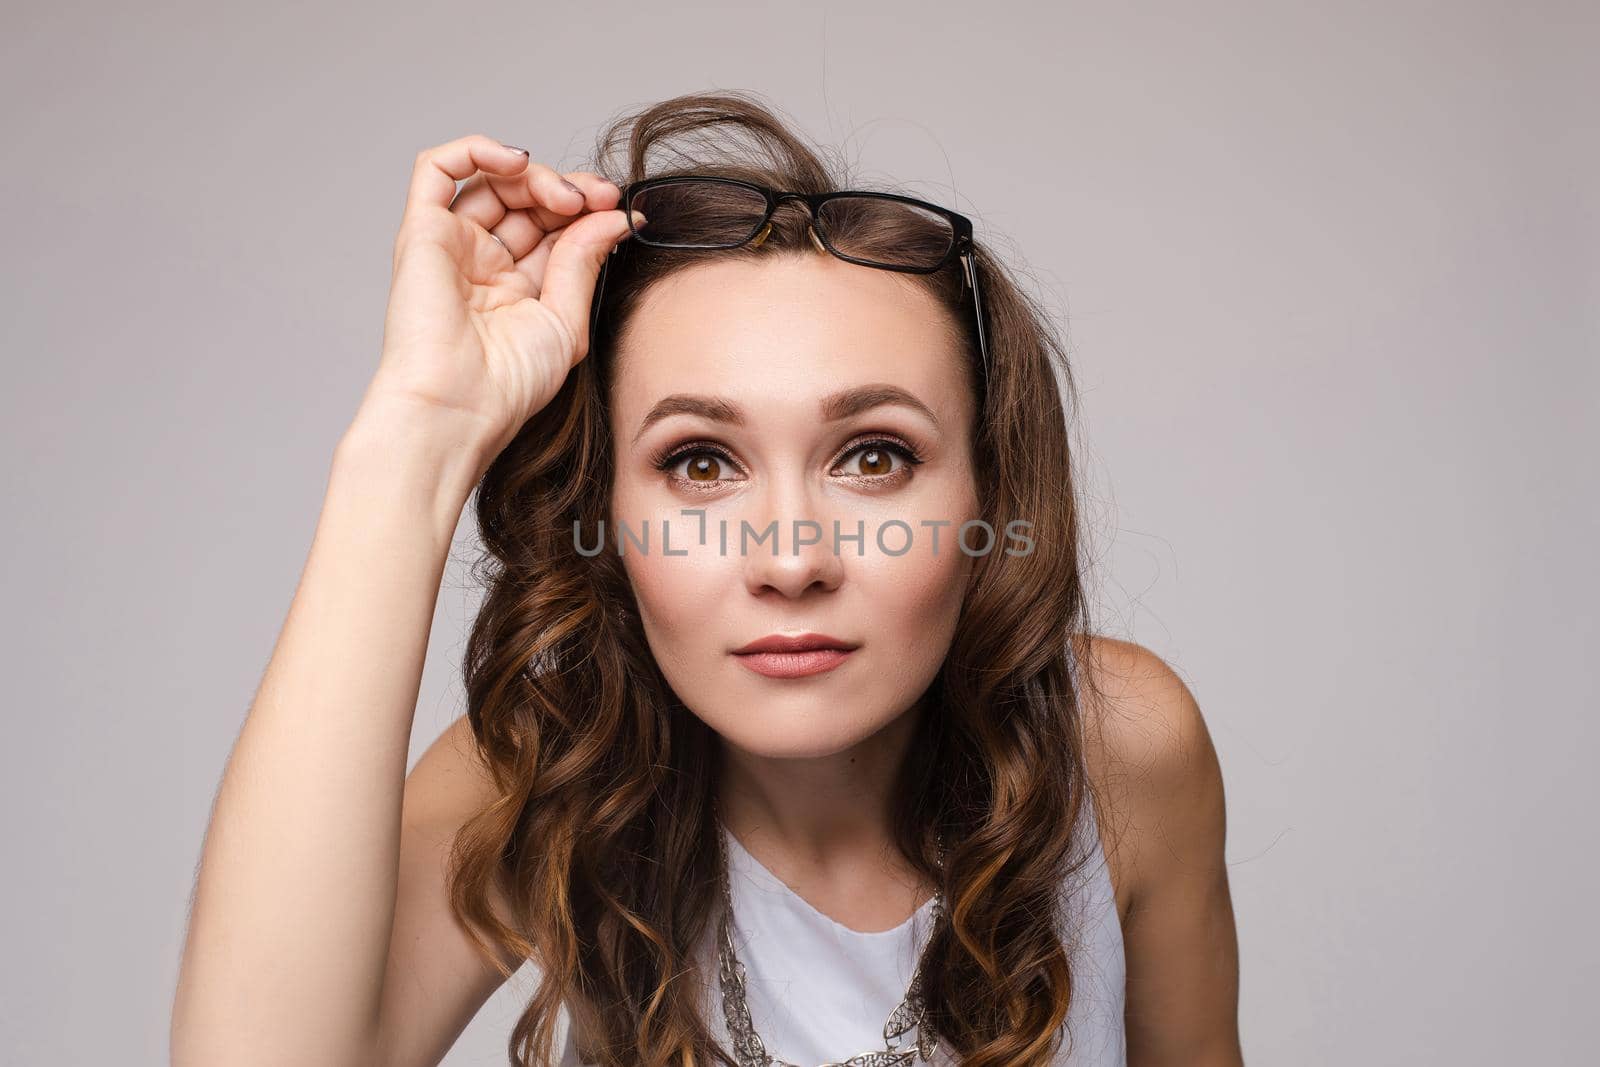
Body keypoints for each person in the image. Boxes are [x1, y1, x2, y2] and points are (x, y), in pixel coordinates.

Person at [170, 90, 1242, 1067]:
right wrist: (418, 436)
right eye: (699, 462)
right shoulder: (546, 763)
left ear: (986, 496)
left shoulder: (1122, 747)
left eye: (874, 455)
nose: (789, 560)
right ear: (609, 514)